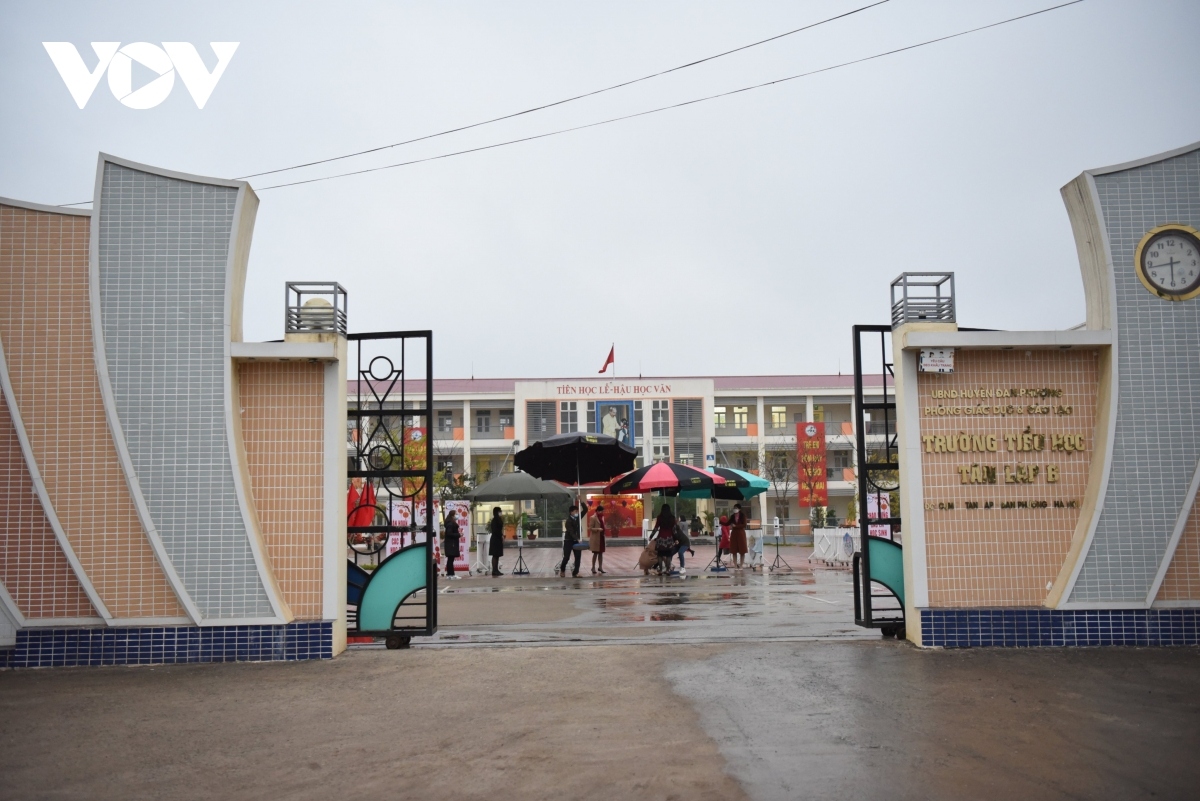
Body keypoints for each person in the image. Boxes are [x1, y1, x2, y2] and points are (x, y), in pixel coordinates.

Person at [559, 504, 582, 577]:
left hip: (576, 540)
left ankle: (575, 572)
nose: (577, 513)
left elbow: (585, 509)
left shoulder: (578, 519)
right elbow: (571, 532)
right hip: (569, 540)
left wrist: (581, 501)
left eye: (577, 511)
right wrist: (577, 538)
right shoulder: (568, 521)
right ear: (571, 512)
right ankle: (562, 569)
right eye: (575, 511)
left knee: (578, 557)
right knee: (566, 557)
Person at [729, 503, 749, 569]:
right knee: (734, 550)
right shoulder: (732, 516)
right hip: (734, 533)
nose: (735, 509)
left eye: (736, 508)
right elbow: (729, 523)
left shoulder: (743, 516)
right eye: (734, 508)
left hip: (741, 534)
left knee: (742, 550)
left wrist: (736, 526)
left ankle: (741, 565)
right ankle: (735, 565)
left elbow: (744, 525)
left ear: (739, 509)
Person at [443, 510, 461, 579]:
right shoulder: (450, 524)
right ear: (453, 515)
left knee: (450, 559)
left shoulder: (450, 523)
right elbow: (449, 533)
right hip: (451, 544)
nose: (457, 515)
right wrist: (458, 534)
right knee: (450, 559)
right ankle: (451, 574)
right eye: (456, 514)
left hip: (451, 543)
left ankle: (450, 574)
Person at [589, 503, 607, 574]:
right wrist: (598, 529)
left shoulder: (602, 517)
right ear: (598, 511)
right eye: (601, 511)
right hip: (596, 538)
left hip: (601, 537)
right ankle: (593, 567)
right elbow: (590, 528)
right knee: (595, 553)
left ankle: (600, 567)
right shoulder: (593, 517)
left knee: (601, 553)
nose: (602, 512)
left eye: (603, 511)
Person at [488, 506, 505, 577]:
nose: (501, 512)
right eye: (500, 511)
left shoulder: (498, 519)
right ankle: (494, 570)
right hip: (495, 539)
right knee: (495, 555)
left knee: (497, 555)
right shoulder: (494, 520)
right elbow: (495, 530)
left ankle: (496, 569)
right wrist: (501, 536)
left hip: (498, 538)